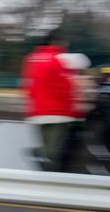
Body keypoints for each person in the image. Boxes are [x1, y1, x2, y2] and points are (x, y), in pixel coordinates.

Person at [21, 30, 76, 170]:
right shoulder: (62, 59)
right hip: (59, 113)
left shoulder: (32, 58)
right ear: (57, 41)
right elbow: (68, 85)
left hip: (38, 111)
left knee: (48, 151)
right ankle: (38, 156)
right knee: (52, 152)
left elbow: (26, 85)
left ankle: (41, 164)